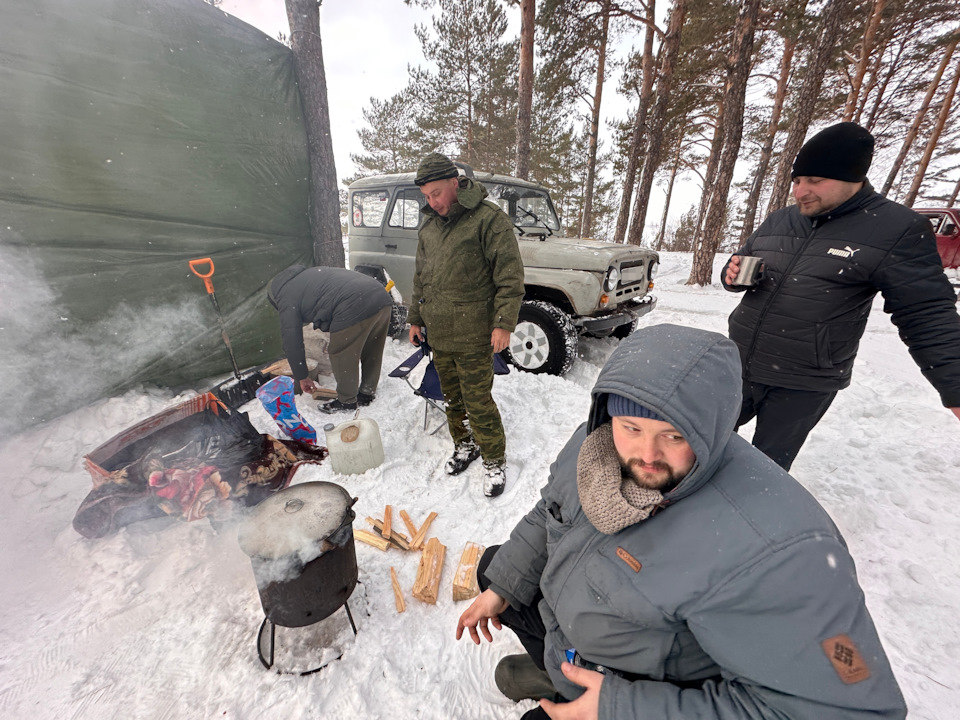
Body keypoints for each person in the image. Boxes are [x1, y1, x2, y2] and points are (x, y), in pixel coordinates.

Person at [456, 323, 906, 720]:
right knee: (494, 568)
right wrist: (504, 587)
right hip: (579, 632)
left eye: (673, 436)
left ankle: (579, 688)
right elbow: (549, 511)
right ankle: (558, 673)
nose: (646, 455)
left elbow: (849, 711)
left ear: (711, 428)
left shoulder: (778, 550)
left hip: (641, 689)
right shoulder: (598, 444)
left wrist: (621, 708)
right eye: (632, 428)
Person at [722, 121, 960, 470]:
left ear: (853, 177)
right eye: (797, 180)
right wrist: (732, 276)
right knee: (702, 443)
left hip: (802, 381)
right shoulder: (781, 220)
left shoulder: (897, 228)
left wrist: (955, 386)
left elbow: (927, 313)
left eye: (815, 181)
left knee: (764, 469)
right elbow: (741, 263)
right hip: (738, 363)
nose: (800, 192)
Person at [407, 152, 524, 497]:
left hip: (474, 334)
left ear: (455, 183)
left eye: (437, 193)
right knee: (452, 399)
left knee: (478, 401)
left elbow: (510, 277)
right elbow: (421, 278)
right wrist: (415, 318)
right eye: (426, 196)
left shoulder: (488, 219)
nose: (432, 202)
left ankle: (494, 460)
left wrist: (503, 323)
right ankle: (465, 446)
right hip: (441, 333)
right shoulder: (429, 226)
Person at [267, 264, 393, 413]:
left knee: (341, 352)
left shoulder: (286, 299)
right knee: (372, 348)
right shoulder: (306, 276)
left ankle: (346, 401)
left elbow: (291, 341)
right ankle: (367, 391)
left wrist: (302, 376)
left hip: (354, 302)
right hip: (380, 295)